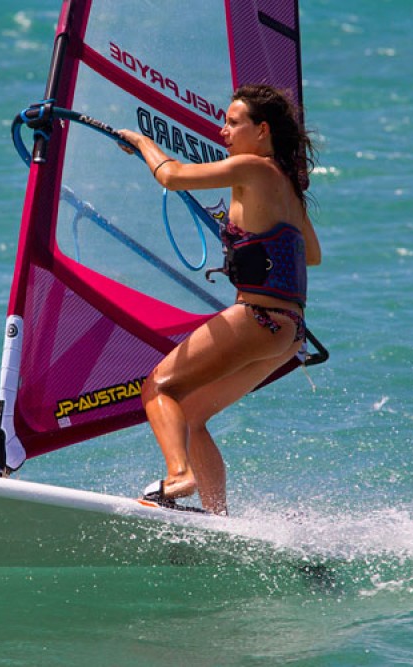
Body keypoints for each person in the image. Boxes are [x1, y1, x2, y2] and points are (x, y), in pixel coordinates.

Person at [118, 84, 321, 515]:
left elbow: (170, 176)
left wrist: (140, 143)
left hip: (257, 318)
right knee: (191, 415)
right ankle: (217, 518)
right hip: (288, 332)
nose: (223, 130)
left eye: (233, 122)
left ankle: (179, 477)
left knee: (159, 388)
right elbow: (312, 253)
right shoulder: (285, 184)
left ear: (261, 130)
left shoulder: (251, 168)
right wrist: (250, 240)